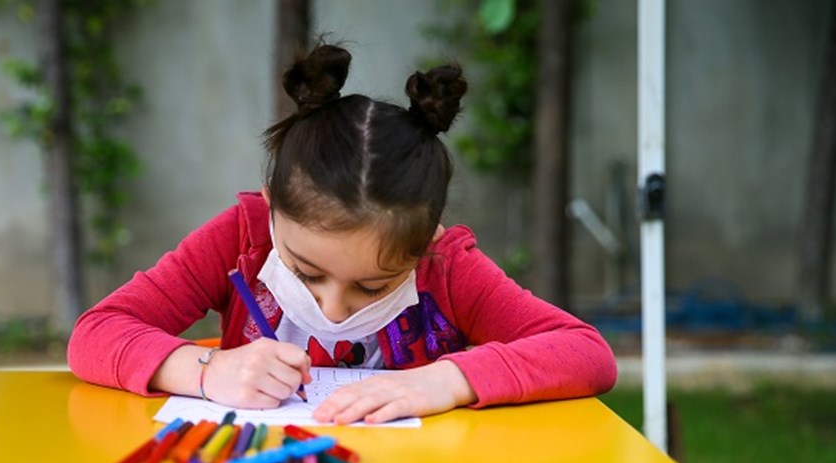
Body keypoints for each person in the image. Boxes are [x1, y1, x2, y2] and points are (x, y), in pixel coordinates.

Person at [67, 42, 617, 424]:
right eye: (307, 272)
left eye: (374, 287)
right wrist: (208, 370)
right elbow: (96, 333)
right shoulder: (241, 241)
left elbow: (585, 353)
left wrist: (443, 382)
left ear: (426, 242)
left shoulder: (445, 267)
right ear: (270, 207)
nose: (333, 309)